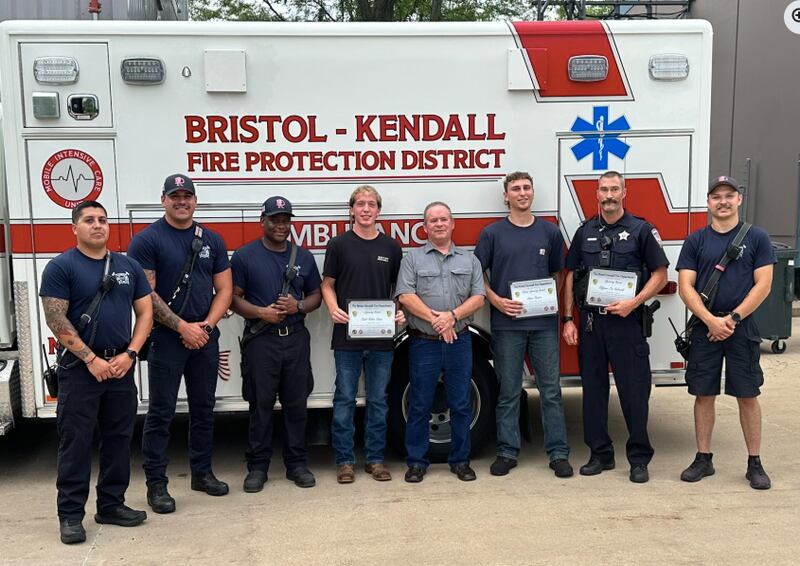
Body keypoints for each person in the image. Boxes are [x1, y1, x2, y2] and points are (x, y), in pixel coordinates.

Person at [40, 200, 153, 544]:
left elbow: (145, 313)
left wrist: (130, 354)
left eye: (102, 220)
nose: (97, 225)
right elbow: (56, 319)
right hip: (80, 369)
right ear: (74, 228)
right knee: (75, 443)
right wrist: (91, 359)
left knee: (118, 440)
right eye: (89, 220)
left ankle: (111, 504)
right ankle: (71, 515)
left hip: (120, 366)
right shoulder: (61, 267)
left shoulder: (127, 266)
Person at [128, 173, 233, 513]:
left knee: (204, 409)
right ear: (163, 200)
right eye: (175, 195)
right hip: (166, 339)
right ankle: (156, 485)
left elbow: (225, 290)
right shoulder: (147, 240)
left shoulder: (212, 240)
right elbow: (146, 294)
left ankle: (202, 473)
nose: (182, 201)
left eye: (187, 195)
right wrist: (182, 327)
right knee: (161, 413)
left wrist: (206, 325)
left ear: (195, 201)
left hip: (205, 337)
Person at [562, 171, 668, 483]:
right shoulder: (585, 232)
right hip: (593, 324)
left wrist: (633, 303)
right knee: (593, 393)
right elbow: (569, 274)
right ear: (596, 194)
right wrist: (569, 319)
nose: (609, 195)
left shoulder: (641, 230)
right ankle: (600, 454)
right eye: (603, 190)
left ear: (624, 192)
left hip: (627, 323)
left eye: (614, 189)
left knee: (635, 393)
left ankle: (638, 459)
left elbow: (660, 274)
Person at [676, 176, 775, 489]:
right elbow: (685, 286)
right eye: (716, 196)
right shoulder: (696, 240)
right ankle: (703, 458)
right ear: (708, 203)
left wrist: (732, 318)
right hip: (706, 328)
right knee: (703, 394)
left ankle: (754, 463)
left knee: (747, 395)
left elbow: (764, 284)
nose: (722, 201)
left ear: (738, 200)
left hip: (741, 327)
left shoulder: (757, 238)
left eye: (728, 196)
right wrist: (709, 320)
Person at [474, 172, 572, 478]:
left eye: (526, 187)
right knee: (508, 391)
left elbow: (561, 274)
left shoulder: (549, 232)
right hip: (507, 324)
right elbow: (478, 276)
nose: (521, 193)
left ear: (533, 192)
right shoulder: (492, 234)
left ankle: (558, 453)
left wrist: (547, 300)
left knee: (551, 391)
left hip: (543, 324)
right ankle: (507, 451)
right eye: (515, 189)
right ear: (506, 196)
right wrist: (497, 301)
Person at [231, 196, 322, 492]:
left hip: (295, 338)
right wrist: (261, 313)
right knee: (261, 406)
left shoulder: (304, 257)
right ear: (263, 221)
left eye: (285, 220)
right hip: (261, 341)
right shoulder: (244, 256)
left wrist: (298, 306)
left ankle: (296, 464)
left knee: (297, 405)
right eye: (275, 219)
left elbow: (316, 296)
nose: (281, 225)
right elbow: (233, 297)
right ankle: (258, 467)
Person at [396, 201, 485, 483]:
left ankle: (460, 461)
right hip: (424, 342)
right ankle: (417, 462)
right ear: (424, 227)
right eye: (432, 220)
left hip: (458, 342)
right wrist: (437, 320)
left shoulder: (469, 260)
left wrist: (452, 317)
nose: (438, 224)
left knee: (460, 403)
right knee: (420, 404)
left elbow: (478, 297)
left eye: (443, 219)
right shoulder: (412, 260)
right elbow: (405, 296)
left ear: (452, 223)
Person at [321, 186, 404, 484]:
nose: (366, 209)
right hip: (347, 338)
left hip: (382, 339)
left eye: (371, 204)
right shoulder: (339, 244)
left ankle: (375, 459)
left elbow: (401, 289)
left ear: (378, 210)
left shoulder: (392, 248)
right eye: (360, 204)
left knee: (379, 400)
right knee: (344, 399)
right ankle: (345, 462)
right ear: (352, 209)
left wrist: (399, 310)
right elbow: (327, 284)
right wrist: (332, 308)